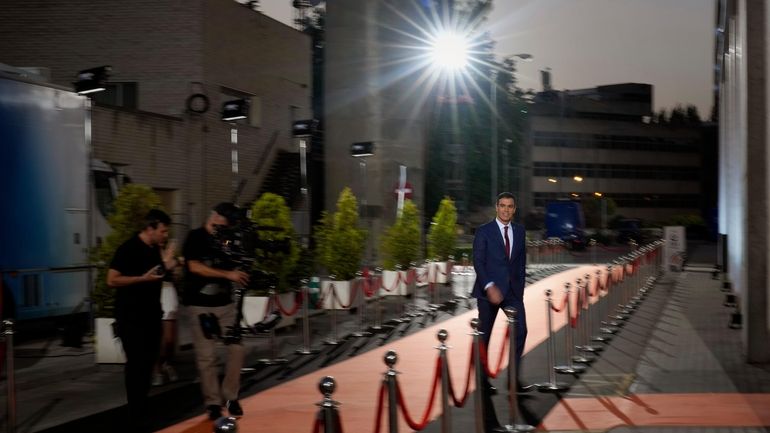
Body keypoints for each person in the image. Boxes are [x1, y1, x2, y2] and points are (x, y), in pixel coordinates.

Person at [107, 209, 176, 432]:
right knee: (136, 367)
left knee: (147, 367)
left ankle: (141, 411)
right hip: (131, 318)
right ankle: (135, 416)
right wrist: (141, 279)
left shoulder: (154, 249)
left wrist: (169, 265)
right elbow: (112, 280)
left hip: (151, 316)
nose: (165, 235)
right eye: (163, 231)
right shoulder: (128, 249)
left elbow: (158, 274)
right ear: (150, 228)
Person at [183, 202, 250, 421]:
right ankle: (212, 402)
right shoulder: (195, 237)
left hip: (225, 303)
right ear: (214, 216)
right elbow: (194, 267)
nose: (226, 225)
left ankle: (230, 396)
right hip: (200, 303)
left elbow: (236, 262)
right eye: (224, 220)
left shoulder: (227, 239)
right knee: (207, 356)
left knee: (237, 349)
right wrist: (228, 275)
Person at [471, 192, 529, 432]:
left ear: (514, 209)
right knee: (484, 337)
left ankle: (513, 378)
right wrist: (488, 286)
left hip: (512, 293)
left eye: (510, 207)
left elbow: (520, 262)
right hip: (489, 292)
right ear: (496, 207)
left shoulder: (521, 231)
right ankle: (483, 380)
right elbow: (478, 262)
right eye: (502, 206)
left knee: (522, 331)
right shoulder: (484, 231)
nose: (506, 210)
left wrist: (520, 289)